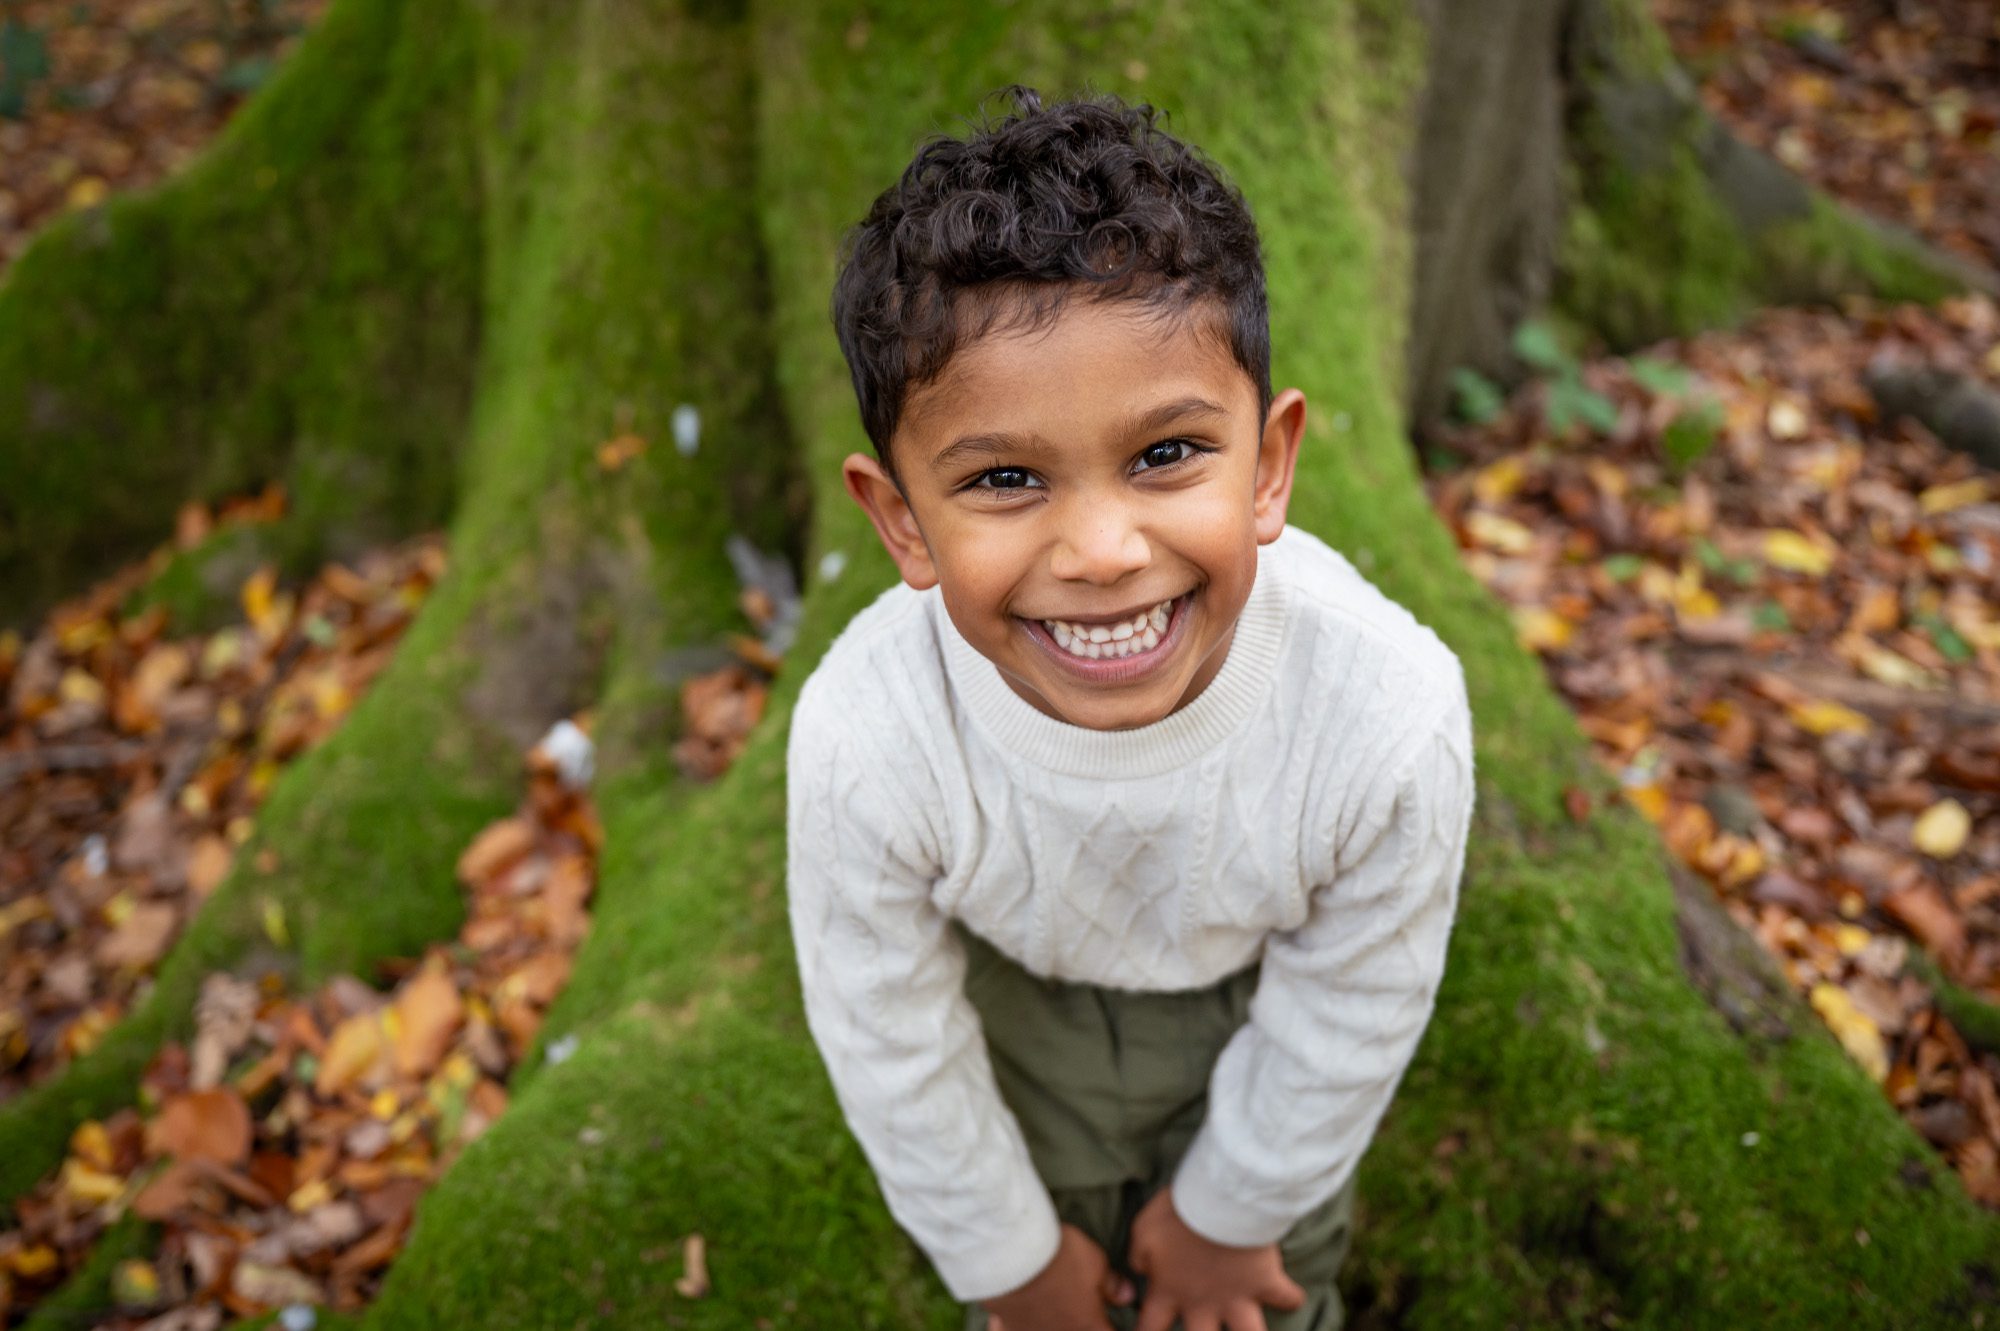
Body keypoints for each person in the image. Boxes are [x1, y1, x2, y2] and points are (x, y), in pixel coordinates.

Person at [784, 86, 1475, 1331]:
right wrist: (1008, 1263)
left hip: (1268, 1005)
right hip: (1010, 1010)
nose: (1102, 549)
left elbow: (1357, 997)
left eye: (1165, 455)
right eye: (1003, 478)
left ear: (1267, 465)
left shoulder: (1385, 708)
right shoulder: (867, 729)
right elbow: (885, 1026)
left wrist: (1227, 1217)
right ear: (900, 522)